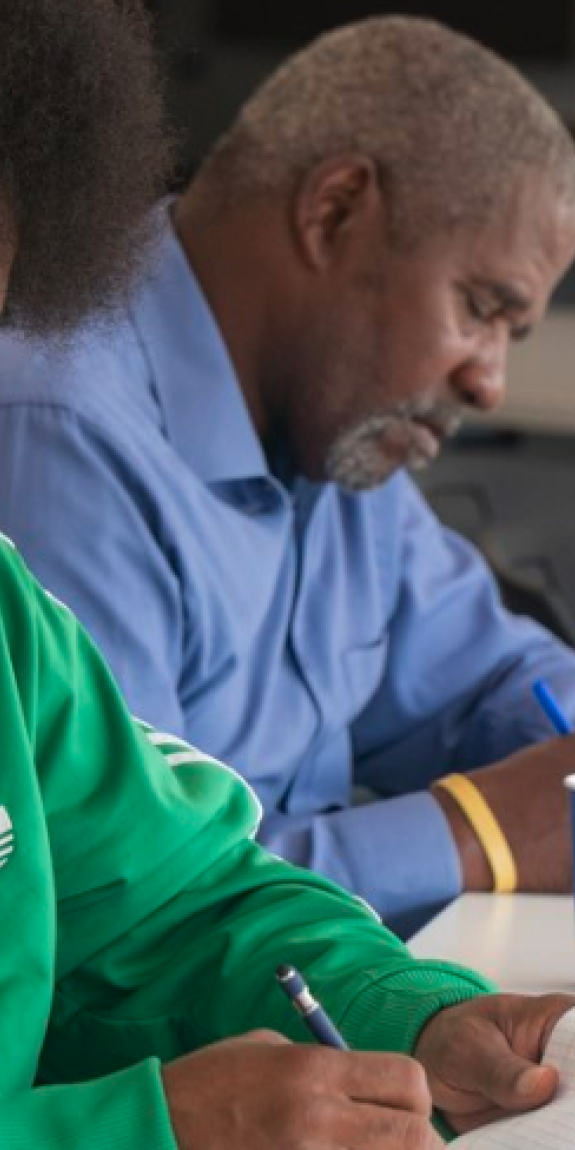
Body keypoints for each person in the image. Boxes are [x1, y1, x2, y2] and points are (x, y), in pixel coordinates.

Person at [3, 9, 575, 1145]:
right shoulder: (53, 419)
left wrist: (406, 1016)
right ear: (333, 211)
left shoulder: (14, 621)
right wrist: (151, 1124)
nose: (490, 382)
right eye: (480, 307)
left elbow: (172, 898)